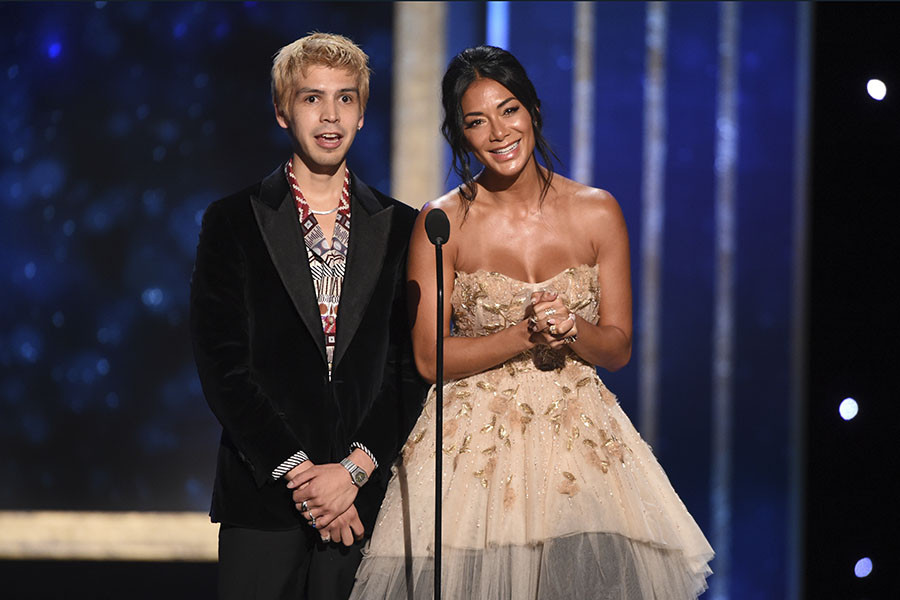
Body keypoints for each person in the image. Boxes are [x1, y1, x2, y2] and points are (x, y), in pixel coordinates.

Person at [350, 45, 714, 599]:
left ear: (534, 111)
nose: (498, 132)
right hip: (470, 457)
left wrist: (574, 330)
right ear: (460, 135)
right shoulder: (441, 220)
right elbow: (428, 357)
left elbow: (617, 347)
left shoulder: (598, 211)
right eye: (477, 121)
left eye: (509, 109)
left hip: (580, 450)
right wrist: (523, 334)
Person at [190, 32, 427, 600]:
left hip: (363, 502)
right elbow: (224, 368)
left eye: (345, 98)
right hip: (264, 497)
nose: (330, 115)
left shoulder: (402, 227)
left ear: (363, 113)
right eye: (311, 98)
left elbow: (410, 366)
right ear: (281, 111)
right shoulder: (233, 221)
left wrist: (351, 474)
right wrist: (304, 478)